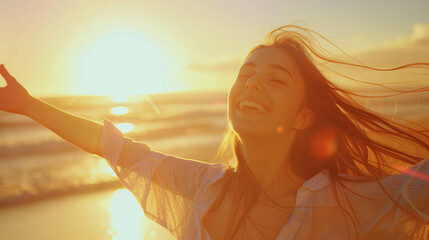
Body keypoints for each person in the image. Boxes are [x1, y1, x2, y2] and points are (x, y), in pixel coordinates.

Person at [0, 25, 428, 240]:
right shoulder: (202, 186)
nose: (252, 83)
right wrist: (27, 105)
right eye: (246, 73)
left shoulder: (350, 200)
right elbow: (113, 146)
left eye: (276, 79)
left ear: (303, 118)